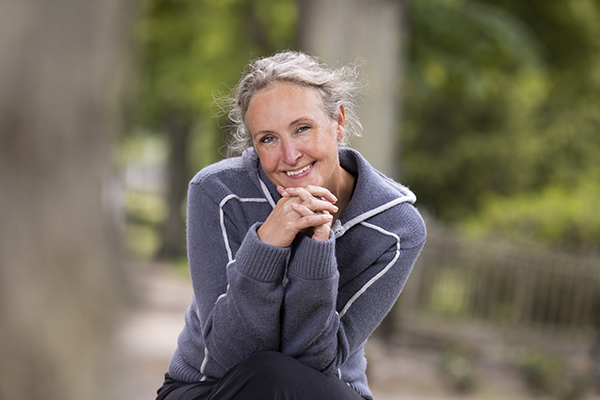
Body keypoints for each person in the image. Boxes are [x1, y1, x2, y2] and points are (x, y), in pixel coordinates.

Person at [156, 51, 427, 400]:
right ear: (254, 146)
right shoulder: (217, 193)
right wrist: (267, 245)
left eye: (302, 128)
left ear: (339, 122)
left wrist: (316, 252)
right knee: (266, 375)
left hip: (323, 390)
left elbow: (317, 361)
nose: (290, 155)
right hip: (208, 389)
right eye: (268, 139)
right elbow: (234, 356)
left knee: (277, 377)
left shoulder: (397, 228)